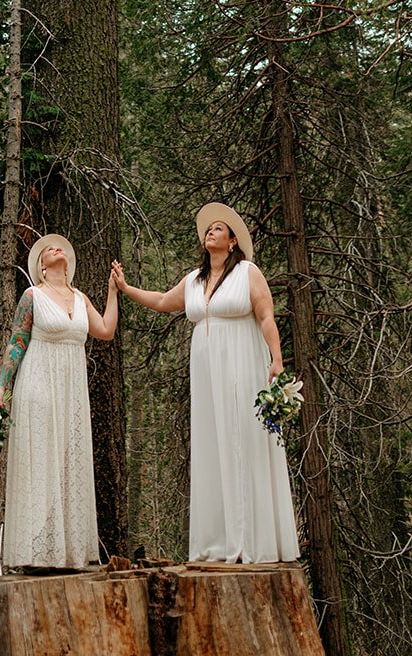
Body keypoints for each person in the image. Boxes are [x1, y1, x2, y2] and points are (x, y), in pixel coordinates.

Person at [113, 202, 299, 564]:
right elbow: (164, 301)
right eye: (208, 229)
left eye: (219, 228)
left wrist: (276, 358)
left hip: (242, 361)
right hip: (206, 370)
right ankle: (218, 540)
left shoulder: (248, 272)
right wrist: (126, 288)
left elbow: (265, 315)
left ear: (232, 241)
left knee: (241, 437)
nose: (211, 232)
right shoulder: (194, 280)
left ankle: (252, 539)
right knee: (212, 442)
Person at [0, 233, 118, 570]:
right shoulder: (32, 295)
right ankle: (33, 551)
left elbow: (105, 330)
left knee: (68, 462)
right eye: (47, 249)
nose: (55, 248)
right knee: (41, 462)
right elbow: (17, 340)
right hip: (38, 382)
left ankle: (64, 552)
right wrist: (1, 389)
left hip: (71, 389)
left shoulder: (80, 298)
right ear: (41, 267)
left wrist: (112, 291)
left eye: (59, 246)